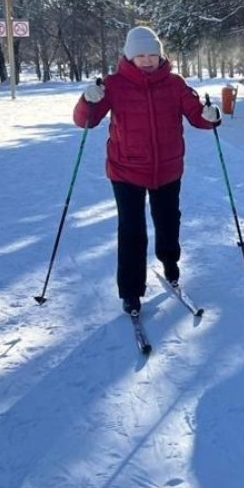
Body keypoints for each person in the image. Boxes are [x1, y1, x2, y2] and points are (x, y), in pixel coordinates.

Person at [73, 26, 223, 315]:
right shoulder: (113, 85)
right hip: (125, 169)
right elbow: (85, 121)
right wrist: (87, 100)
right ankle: (130, 291)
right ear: (129, 56)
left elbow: (197, 115)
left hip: (167, 167)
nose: (147, 60)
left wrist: (210, 116)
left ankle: (170, 264)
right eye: (140, 55)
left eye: (152, 55)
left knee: (168, 220)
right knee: (132, 230)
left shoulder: (175, 83)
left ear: (160, 55)